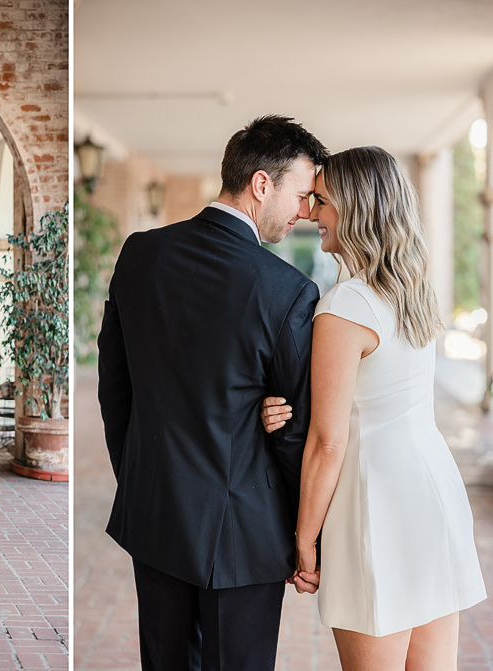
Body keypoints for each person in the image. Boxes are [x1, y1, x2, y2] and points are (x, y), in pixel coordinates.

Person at [97, 115, 328, 670]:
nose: (304, 211)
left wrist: (141, 480)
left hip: (154, 514)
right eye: (301, 194)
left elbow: (114, 390)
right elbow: (294, 430)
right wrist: (303, 534)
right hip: (245, 533)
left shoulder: (139, 254)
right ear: (261, 184)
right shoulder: (287, 291)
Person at [261, 146, 486, 670]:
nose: (311, 212)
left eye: (322, 201)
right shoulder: (413, 292)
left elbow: (328, 441)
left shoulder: (345, 305)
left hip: (378, 505)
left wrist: (304, 539)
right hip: (432, 489)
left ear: (356, 207)